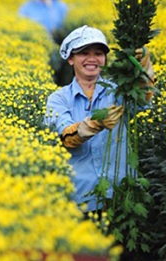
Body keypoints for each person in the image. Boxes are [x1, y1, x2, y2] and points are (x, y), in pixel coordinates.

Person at [44, 25, 155, 213]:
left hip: (121, 194)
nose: (92, 59)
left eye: (98, 53)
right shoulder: (59, 99)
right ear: (71, 59)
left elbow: (143, 100)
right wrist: (95, 124)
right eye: (83, 53)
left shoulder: (118, 91)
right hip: (81, 198)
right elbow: (65, 137)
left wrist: (144, 69)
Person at [19, 0, 70, 86]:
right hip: (36, 46)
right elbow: (22, 25)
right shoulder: (26, 7)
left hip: (57, 45)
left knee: (58, 72)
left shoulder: (59, 6)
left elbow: (64, 25)